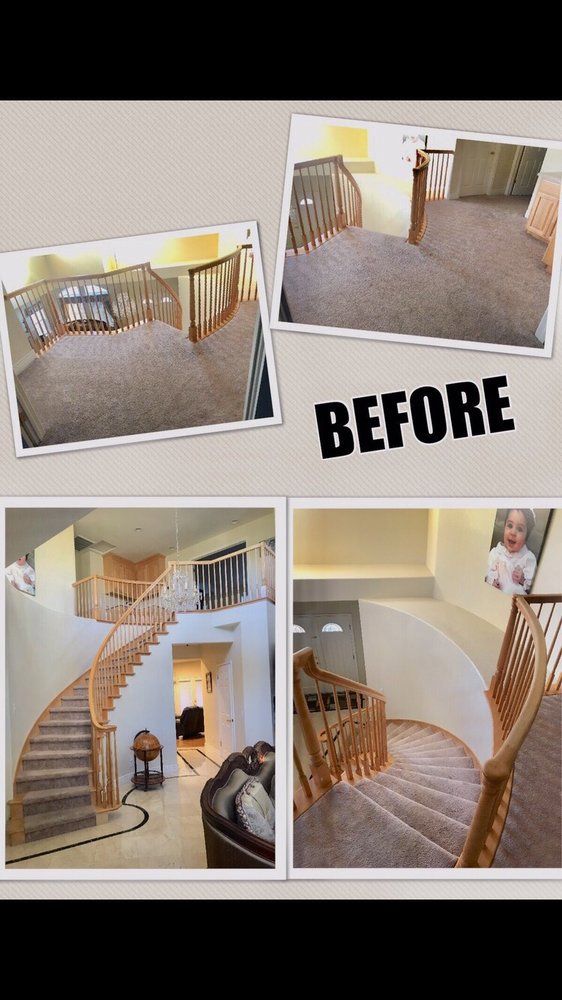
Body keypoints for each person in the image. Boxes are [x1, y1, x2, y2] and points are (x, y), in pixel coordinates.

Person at [486, 509, 537, 595]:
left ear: (526, 536)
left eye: (520, 529)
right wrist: (491, 582)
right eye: (510, 525)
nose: (513, 532)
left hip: (515, 601)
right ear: (504, 527)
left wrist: (522, 579)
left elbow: (532, 586)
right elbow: (486, 573)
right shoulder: (496, 553)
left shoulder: (528, 558)